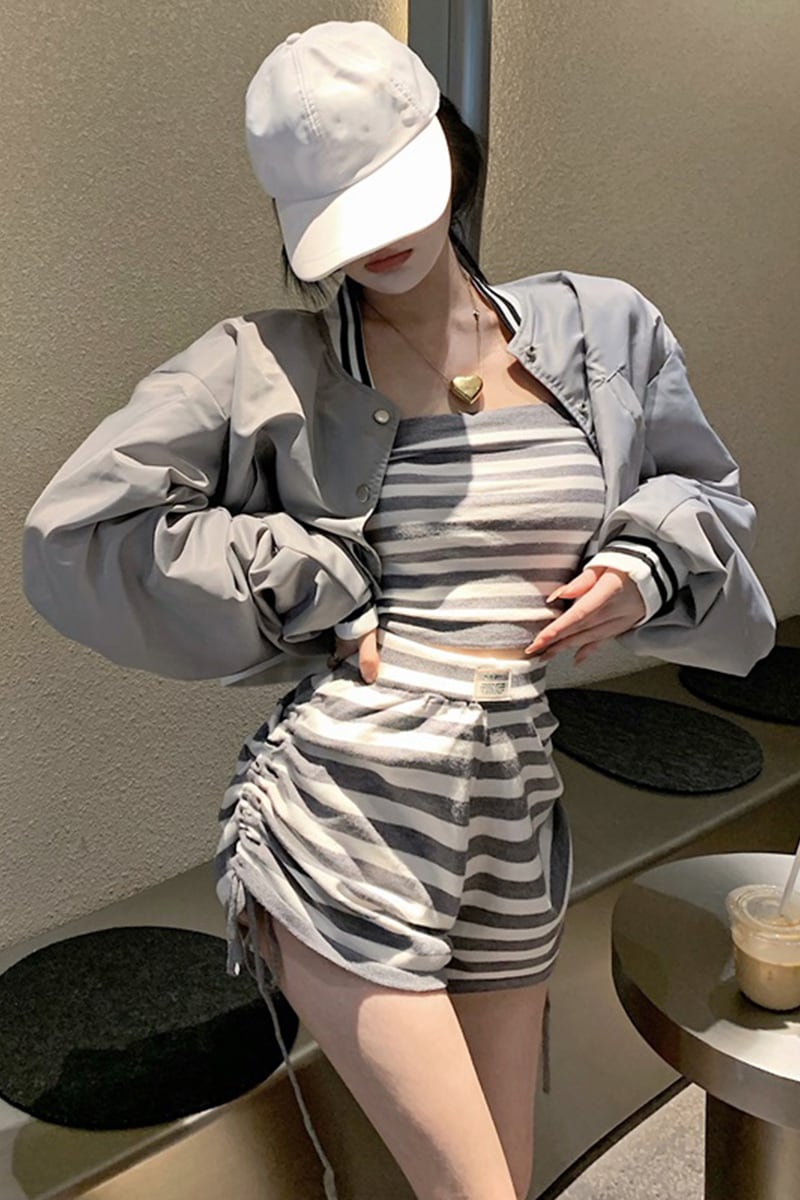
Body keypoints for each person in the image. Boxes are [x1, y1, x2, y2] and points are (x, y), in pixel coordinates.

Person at [21, 19, 776, 1200]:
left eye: (390, 193)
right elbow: (72, 536)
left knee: (501, 1175)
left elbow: (705, 492)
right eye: (338, 218)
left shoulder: (600, 329)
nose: (375, 241)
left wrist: (645, 562)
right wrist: (306, 572)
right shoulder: (264, 363)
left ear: (450, 152)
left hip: (514, 806)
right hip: (347, 812)